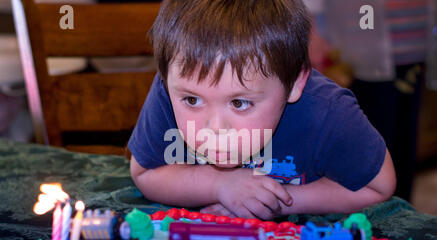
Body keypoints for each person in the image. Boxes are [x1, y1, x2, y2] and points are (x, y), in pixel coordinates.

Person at [128, 0, 396, 220]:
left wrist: (278, 200)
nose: (216, 128)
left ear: (295, 83)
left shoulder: (328, 112)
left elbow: (377, 186)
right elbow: (144, 172)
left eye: (239, 103)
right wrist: (220, 185)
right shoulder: (175, 85)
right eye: (192, 101)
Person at [306, 0, 434, 202]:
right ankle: (372, 218)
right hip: (364, 57)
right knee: (371, 148)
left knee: (404, 144)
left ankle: (401, 214)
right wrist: (312, 30)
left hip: (414, 49)